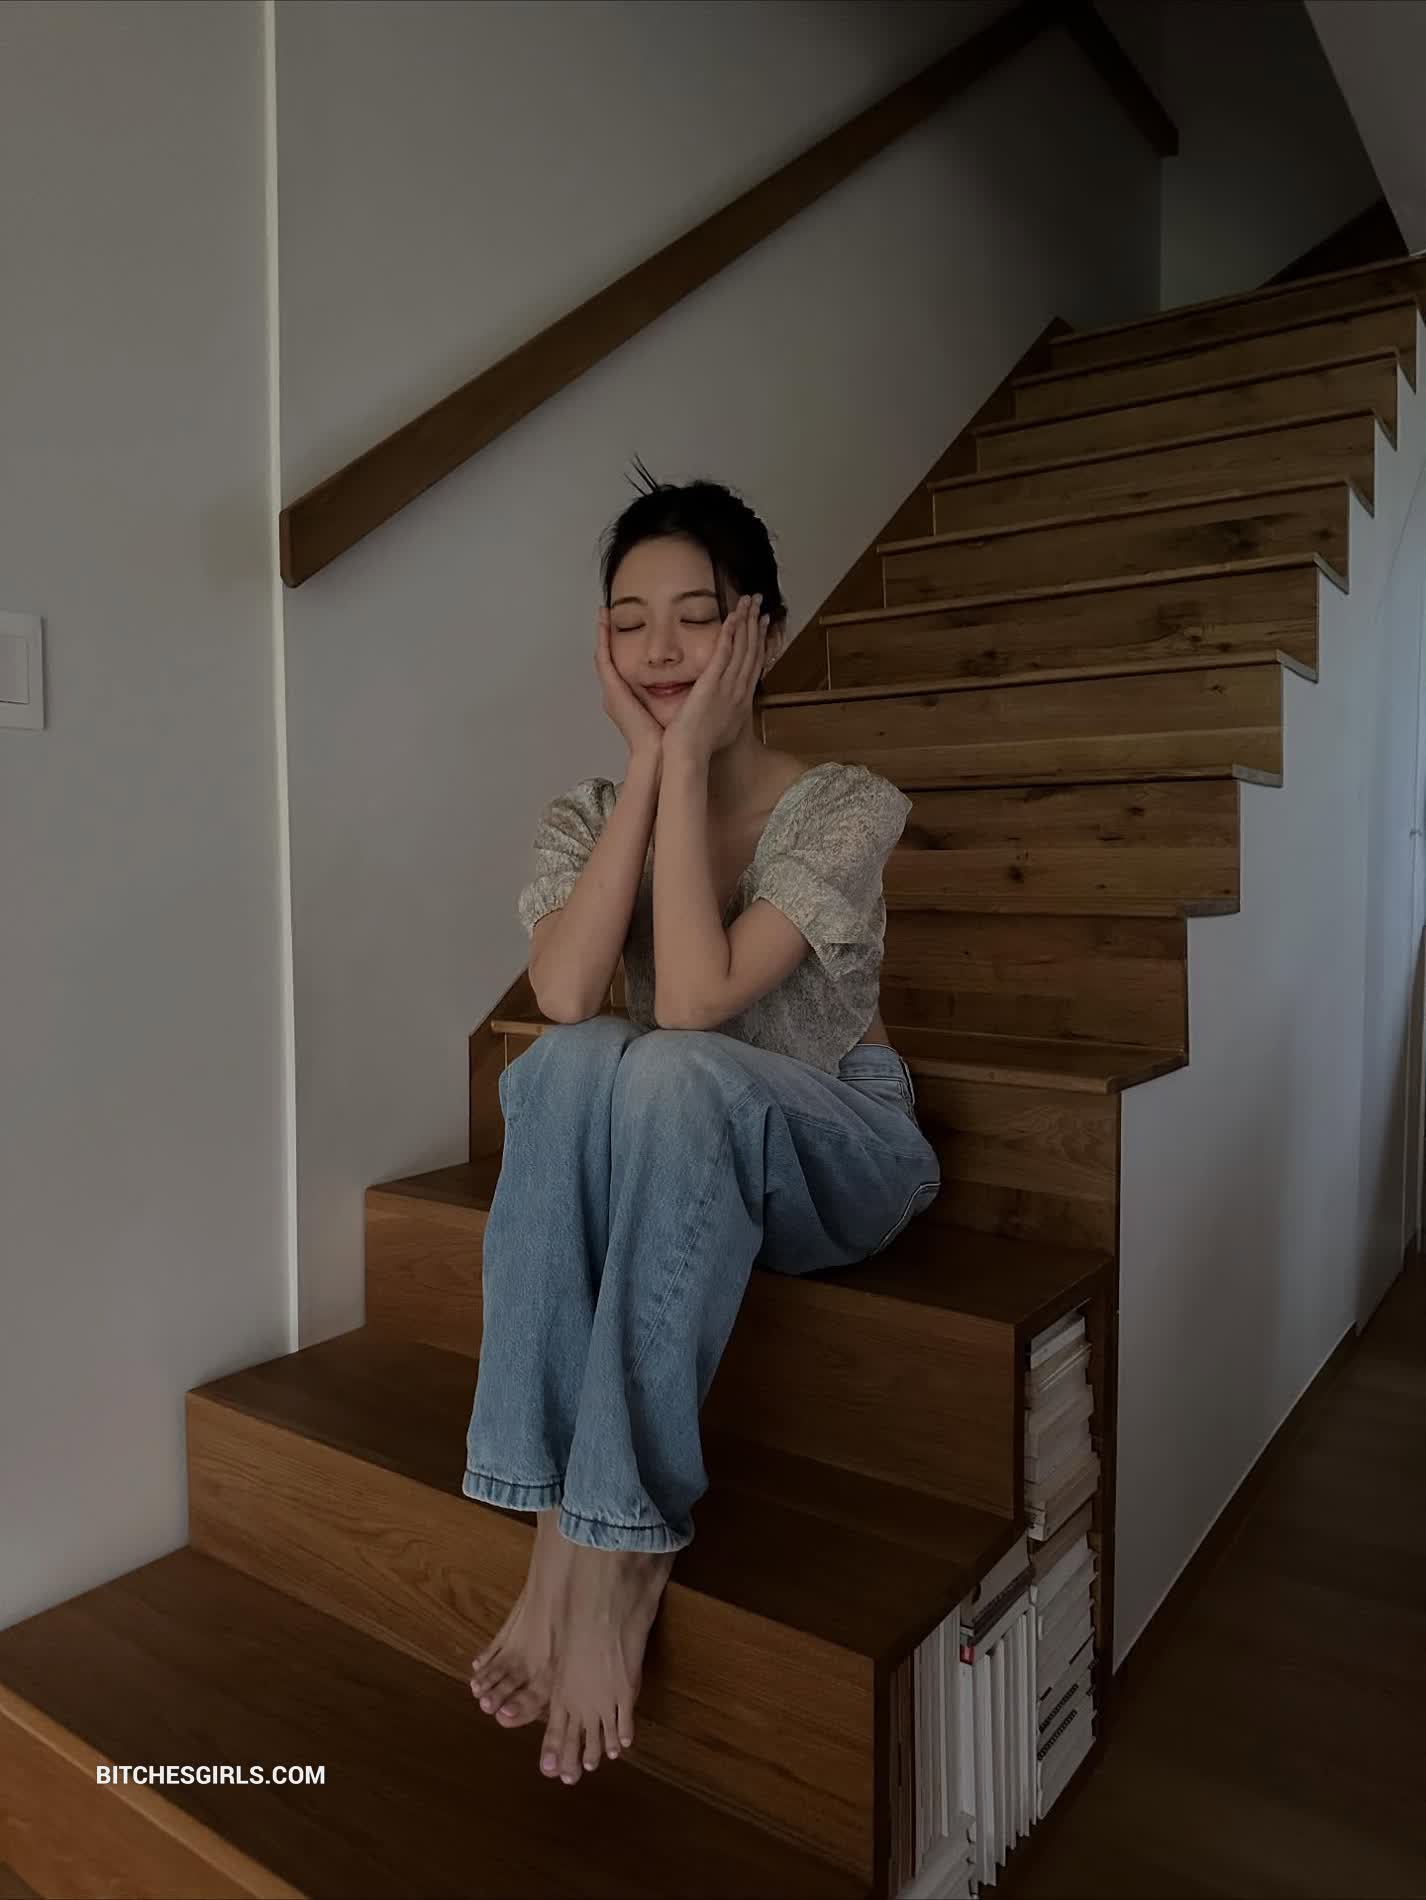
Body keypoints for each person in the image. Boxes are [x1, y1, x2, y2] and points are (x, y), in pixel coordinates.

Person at [463, 462, 942, 1790]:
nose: (661, 649)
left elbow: (690, 1002)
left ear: (760, 634)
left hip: (838, 1152)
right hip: (673, 1172)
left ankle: (619, 1549)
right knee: (567, 1064)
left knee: (670, 1064)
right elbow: (565, 995)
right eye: (630, 622)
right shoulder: (589, 812)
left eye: (696, 616)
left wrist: (681, 762)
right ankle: (558, 1527)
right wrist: (648, 770)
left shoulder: (842, 804)